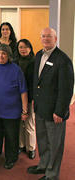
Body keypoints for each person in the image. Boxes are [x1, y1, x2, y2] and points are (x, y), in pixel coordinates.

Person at [27, 27, 74, 180]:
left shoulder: (63, 60)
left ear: (56, 39)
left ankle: (52, 174)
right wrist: (35, 101)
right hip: (40, 108)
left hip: (55, 111)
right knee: (42, 140)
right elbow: (37, 81)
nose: (46, 39)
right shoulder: (39, 55)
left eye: (49, 36)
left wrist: (60, 111)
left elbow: (66, 89)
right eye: (43, 36)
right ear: (40, 39)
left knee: (55, 144)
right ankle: (43, 165)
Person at [0, 44, 28, 170]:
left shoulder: (16, 70)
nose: (0, 55)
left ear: (9, 55)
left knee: (11, 137)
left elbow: (23, 91)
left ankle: (11, 158)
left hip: (12, 112)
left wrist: (25, 111)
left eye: (3, 53)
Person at [13, 39, 36, 159]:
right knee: (19, 123)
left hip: (30, 97)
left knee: (29, 123)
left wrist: (32, 99)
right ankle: (21, 145)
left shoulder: (34, 62)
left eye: (25, 47)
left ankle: (31, 148)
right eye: (21, 47)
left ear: (30, 48)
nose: (23, 49)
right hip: (17, 97)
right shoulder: (15, 62)